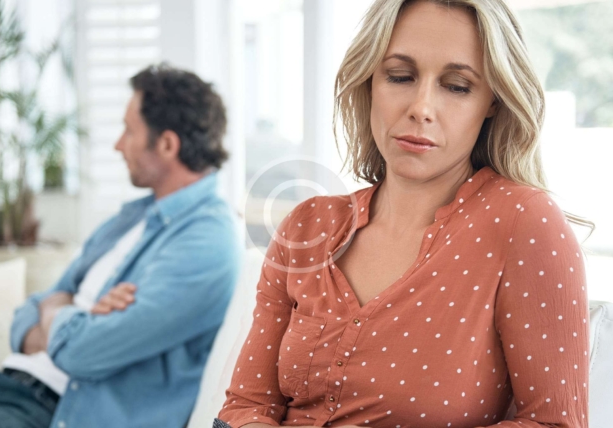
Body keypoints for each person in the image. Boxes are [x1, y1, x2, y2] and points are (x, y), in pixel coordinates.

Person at [216, 1, 590, 427]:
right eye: (399, 76)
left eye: (457, 86)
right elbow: (246, 405)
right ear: (369, 82)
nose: (421, 107)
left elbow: (554, 422)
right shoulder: (307, 226)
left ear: (493, 101)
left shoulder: (523, 221)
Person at [0, 64, 242, 428]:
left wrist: (59, 310)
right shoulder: (130, 219)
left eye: (129, 130)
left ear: (167, 144)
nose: (118, 145)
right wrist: (70, 314)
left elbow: (81, 351)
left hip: (47, 412)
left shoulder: (207, 240)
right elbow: (31, 310)